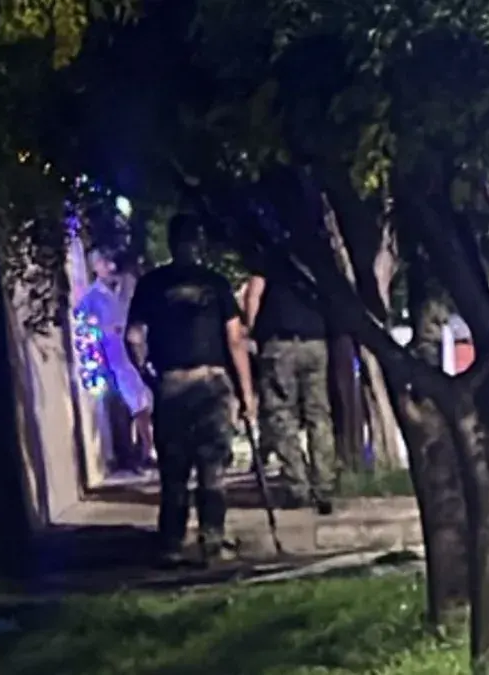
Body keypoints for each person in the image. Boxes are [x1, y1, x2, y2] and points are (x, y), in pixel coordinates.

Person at [125, 215, 255, 567]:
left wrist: (148, 376)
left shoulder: (151, 284)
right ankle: (212, 541)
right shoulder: (215, 283)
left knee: (174, 469)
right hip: (210, 382)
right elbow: (235, 339)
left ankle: (171, 544)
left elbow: (133, 337)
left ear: (170, 242)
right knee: (212, 467)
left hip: (172, 385)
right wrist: (246, 393)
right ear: (197, 242)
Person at [243, 259, 337, 514]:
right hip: (315, 341)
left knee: (282, 415)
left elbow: (254, 294)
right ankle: (324, 485)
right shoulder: (316, 255)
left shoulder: (268, 255)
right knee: (319, 415)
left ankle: (297, 486)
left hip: (280, 343)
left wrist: (251, 332)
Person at [78, 248, 154, 472]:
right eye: (102, 262)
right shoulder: (92, 297)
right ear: (95, 267)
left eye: (109, 261)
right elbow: (83, 324)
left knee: (146, 401)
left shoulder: (128, 285)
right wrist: (104, 331)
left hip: (138, 349)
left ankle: (147, 449)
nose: (109, 266)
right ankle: (137, 453)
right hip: (115, 357)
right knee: (131, 405)